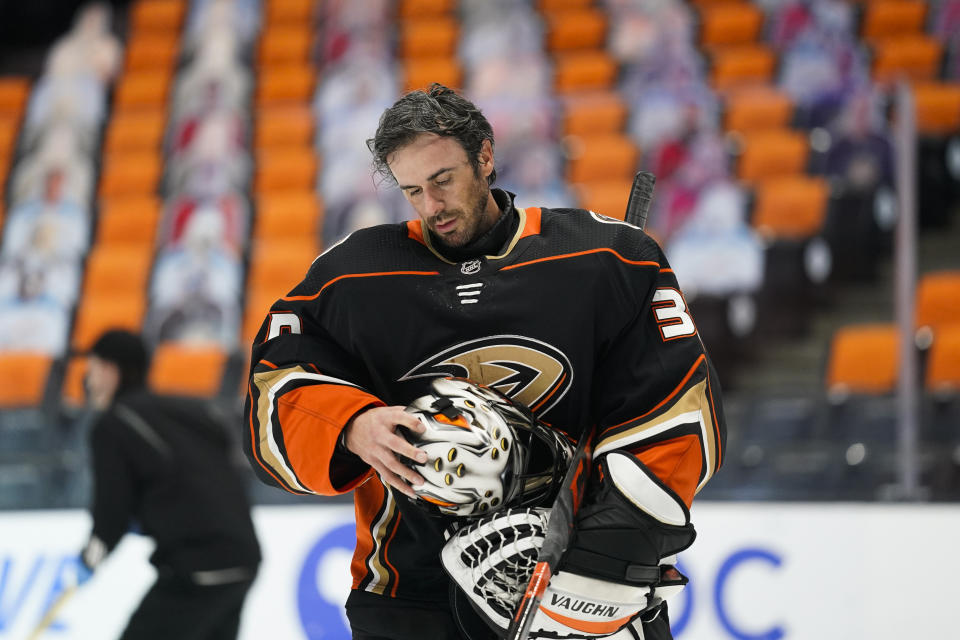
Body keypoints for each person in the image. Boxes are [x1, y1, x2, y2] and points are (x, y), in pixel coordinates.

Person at [243, 84, 726, 640]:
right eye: (412, 190)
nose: (431, 206)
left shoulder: (607, 258)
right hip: (408, 591)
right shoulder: (353, 275)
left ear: (485, 156)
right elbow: (271, 389)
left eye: (443, 180)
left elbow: (681, 405)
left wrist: (613, 552)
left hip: (574, 571)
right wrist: (349, 425)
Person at [79, 329, 261, 640]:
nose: (88, 380)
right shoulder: (189, 410)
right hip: (243, 556)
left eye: (92, 369)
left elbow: (112, 510)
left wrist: (91, 555)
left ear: (110, 370)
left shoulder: (113, 424)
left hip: (197, 565)